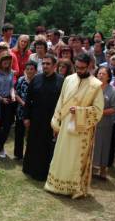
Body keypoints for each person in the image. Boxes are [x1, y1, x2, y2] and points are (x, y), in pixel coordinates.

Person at [44, 53, 104, 198]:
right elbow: (61, 101)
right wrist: (56, 121)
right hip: (65, 126)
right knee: (62, 154)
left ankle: (73, 188)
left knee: (75, 159)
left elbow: (98, 111)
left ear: (89, 66)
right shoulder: (68, 79)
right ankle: (55, 185)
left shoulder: (96, 85)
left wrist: (79, 111)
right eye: (77, 67)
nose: (79, 70)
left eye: (82, 68)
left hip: (81, 130)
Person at [22, 54, 64, 181]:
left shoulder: (61, 81)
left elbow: (63, 102)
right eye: (43, 63)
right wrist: (26, 117)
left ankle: (44, 173)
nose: (45, 66)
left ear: (54, 66)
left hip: (51, 120)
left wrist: (59, 122)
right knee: (33, 144)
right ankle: (29, 168)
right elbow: (28, 100)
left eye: (48, 64)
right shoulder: (36, 79)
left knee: (46, 147)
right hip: (35, 118)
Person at [92, 67, 115, 180]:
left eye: (103, 74)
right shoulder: (93, 87)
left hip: (105, 124)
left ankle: (103, 170)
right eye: (99, 73)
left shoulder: (113, 91)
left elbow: (114, 108)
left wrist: (100, 112)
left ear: (108, 77)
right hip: (92, 122)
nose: (101, 75)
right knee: (92, 146)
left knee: (104, 147)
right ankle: (91, 168)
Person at [0, 52, 16, 159]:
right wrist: (1, 99)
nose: (7, 62)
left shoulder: (11, 72)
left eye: (8, 60)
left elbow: (11, 87)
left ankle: (0, 145)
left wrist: (13, 94)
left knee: (7, 126)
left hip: (8, 101)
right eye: (5, 60)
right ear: (0, 61)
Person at [14, 60, 37, 160]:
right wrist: (23, 103)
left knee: (31, 135)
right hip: (21, 111)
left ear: (35, 70)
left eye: (32, 69)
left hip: (33, 112)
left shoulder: (38, 80)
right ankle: (18, 155)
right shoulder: (21, 80)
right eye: (27, 69)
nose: (29, 71)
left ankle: (30, 155)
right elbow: (16, 94)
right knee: (19, 133)